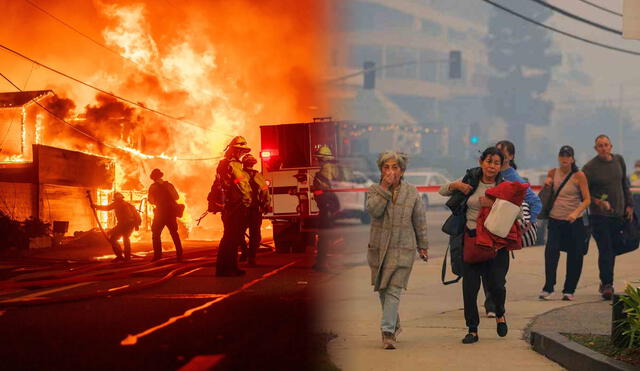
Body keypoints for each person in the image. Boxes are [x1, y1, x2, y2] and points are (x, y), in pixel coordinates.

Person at [439, 147, 511, 344]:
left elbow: (518, 213)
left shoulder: (506, 187)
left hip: (496, 246)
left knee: (496, 285)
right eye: (489, 161)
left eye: (496, 163)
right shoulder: (470, 179)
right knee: (470, 289)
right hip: (471, 242)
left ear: (501, 166)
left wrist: (493, 205)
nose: (491, 166)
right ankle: (472, 329)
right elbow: (441, 190)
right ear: (481, 162)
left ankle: (500, 314)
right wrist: (456, 185)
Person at [367, 151, 428, 350]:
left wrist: (423, 246)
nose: (390, 172)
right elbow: (373, 211)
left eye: (395, 167)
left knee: (393, 290)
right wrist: (384, 188)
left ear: (402, 171)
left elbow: (419, 221)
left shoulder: (412, 192)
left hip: (403, 248)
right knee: (383, 290)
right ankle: (394, 323)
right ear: (381, 170)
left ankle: (387, 333)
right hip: (379, 249)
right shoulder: (374, 190)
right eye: (386, 167)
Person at [481, 140, 542, 316]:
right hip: (485, 229)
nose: (496, 156)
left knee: (498, 271)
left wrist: (529, 222)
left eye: (502, 153)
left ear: (510, 157)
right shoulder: (485, 175)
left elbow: (535, 201)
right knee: (486, 268)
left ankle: (495, 303)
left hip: (502, 231)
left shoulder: (512, 177)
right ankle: (490, 304)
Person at [582, 135, 634, 300]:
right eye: (600, 146)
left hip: (618, 214)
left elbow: (624, 184)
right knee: (606, 249)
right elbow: (583, 191)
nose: (603, 148)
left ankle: (606, 279)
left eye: (606, 145)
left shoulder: (619, 160)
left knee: (622, 245)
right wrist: (597, 201)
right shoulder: (589, 168)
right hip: (599, 216)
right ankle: (607, 284)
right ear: (595, 148)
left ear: (611, 146)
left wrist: (629, 205)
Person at [539, 145, 591, 301]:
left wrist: (576, 212)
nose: (564, 158)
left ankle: (569, 289)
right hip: (555, 220)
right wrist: (546, 185)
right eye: (562, 155)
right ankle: (549, 287)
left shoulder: (579, 175)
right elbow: (544, 196)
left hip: (574, 221)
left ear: (572, 159)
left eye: (568, 156)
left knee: (575, 255)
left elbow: (587, 199)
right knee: (551, 252)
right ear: (558, 157)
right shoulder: (552, 173)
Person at [215, 136, 252, 276]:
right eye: (240, 151)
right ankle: (229, 268)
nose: (242, 154)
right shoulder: (234, 164)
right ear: (235, 151)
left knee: (228, 237)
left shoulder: (223, 164)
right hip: (235, 205)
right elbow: (242, 184)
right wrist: (248, 199)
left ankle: (225, 268)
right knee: (233, 238)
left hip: (227, 205)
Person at [311, 145, 340, 272]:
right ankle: (322, 263)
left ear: (322, 159)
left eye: (319, 159)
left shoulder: (320, 174)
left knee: (324, 237)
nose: (318, 161)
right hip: (335, 207)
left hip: (326, 208)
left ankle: (322, 264)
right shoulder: (337, 171)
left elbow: (318, 193)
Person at [239, 153, 271, 267]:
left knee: (238, 232)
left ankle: (244, 252)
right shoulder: (259, 176)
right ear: (253, 164)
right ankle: (251, 257)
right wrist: (266, 204)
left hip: (242, 209)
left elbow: (236, 188)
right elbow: (265, 191)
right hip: (254, 209)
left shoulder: (239, 175)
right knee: (255, 234)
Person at [91, 192, 139, 262]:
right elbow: (136, 215)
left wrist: (95, 206)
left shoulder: (118, 204)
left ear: (117, 199)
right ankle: (126, 257)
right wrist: (136, 225)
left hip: (124, 225)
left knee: (114, 239)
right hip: (129, 225)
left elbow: (107, 208)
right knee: (125, 239)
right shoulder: (128, 204)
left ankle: (121, 256)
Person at [148, 168, 184, 262]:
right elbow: (176, 197)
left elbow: (151, 201)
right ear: (161, 176)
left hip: (160, 213)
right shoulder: (169, 185)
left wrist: (157, 201)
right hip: (171, 213)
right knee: (174, 233)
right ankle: (179, 254)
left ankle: (157, 256)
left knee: (156, 234)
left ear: (153, 178)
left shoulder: (153, 187)